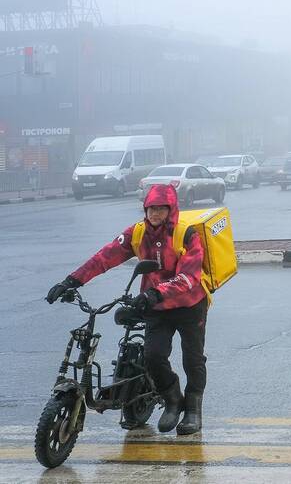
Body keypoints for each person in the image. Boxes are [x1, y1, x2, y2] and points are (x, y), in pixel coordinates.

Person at [46, 184, 208, 435]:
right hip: (156, 306)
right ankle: (173, 399)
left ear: (171, 209)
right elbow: (104, 257)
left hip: (190, 305)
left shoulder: (186, 234)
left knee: (193, 359)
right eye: (151, 208)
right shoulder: (137, 233)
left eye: (161, 209)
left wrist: (155, 292)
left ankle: (194, 409)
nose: (155, 213)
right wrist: (72, 281)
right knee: (154, 357)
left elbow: (189, 277)